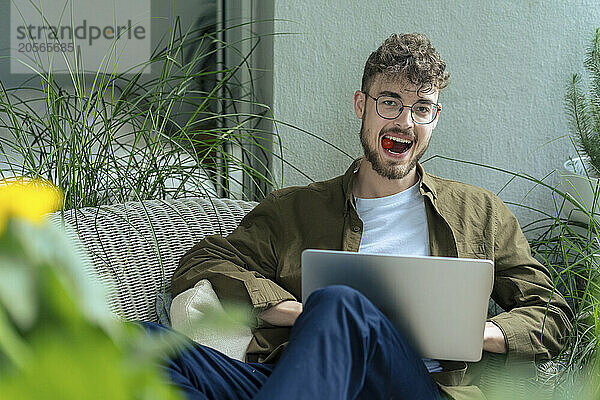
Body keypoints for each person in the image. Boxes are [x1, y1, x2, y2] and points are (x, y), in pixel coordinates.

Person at [156, 33, 573, 400]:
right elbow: (203, 263)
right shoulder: (293, 210)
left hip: (413, 387)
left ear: (435, 118)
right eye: (390, 102)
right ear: (362, 105)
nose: (406, 122)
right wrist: (304, 312)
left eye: (422, 107)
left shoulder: (479, 213)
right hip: (295, 376)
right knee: (143, 346)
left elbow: (551, 315)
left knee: (341, 303)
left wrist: (467, 332)